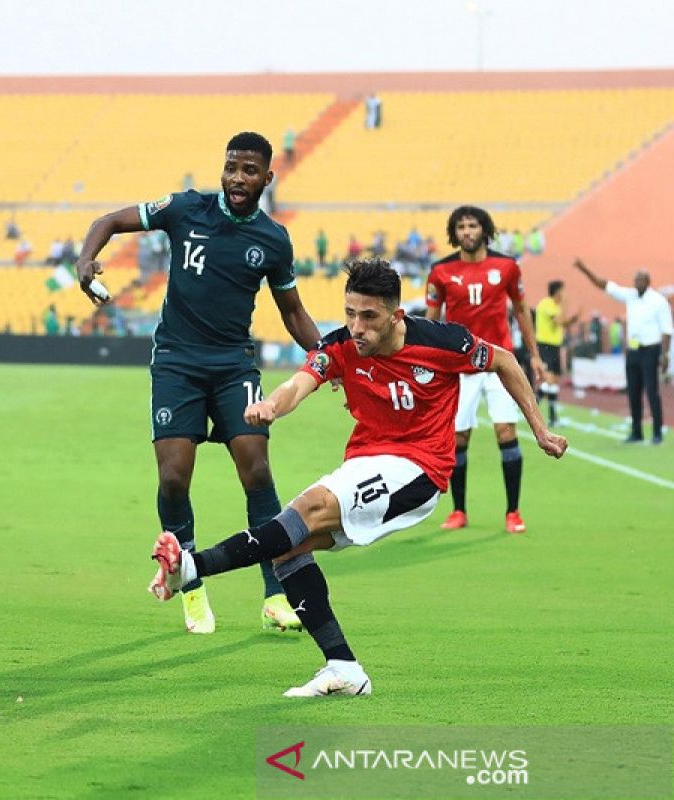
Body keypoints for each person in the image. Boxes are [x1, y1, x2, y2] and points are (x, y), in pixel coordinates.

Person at [148, 259, 567, 697]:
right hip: (366, 461)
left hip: (419, 469)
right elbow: (301, 382)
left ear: (395, 315)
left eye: (369, 317)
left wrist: (539, 428)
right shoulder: (341, 346)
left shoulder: (442, 341)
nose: (356, 327)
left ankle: (191, 567)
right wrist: (272, 404)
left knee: (306, 508)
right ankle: (344, 667)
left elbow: (503, 360)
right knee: (288, 550)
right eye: (350, 313)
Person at [75, 132, 325, 635]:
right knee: (173, 478)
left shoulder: (273, 240)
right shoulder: (186, 209)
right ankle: (189, 584)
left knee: (256, 470)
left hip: (234, 365)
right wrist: (85, 262)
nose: (237, 178)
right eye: (231, 167)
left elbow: (292, 310)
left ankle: (275, 594)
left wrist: (326, 356)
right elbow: (108, 221)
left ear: (266, 179)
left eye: (249, 170)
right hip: (176, 362)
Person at [425, 206, 545, 533]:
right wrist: (426, 362)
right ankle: (459, 511)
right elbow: (430, 322)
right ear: (455, 232)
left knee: (505, 432)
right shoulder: (440, 271)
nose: (467, 231)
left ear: (484, 229)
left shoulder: (506, 266)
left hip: (499, 365)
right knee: (459, 438)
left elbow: (521, 311)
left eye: (473, 225)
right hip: (458, 366)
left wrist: (534, 355)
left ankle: (513, 512)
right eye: (461, 226)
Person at [574, 259, 672, 444]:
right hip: (633, 351)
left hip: (651, 350)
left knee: (652, 391)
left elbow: (667, 330)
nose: (636, 283)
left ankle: (657, 432)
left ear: (647, 281)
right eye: (635, 280)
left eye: (640, 280)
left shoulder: (658, 301)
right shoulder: (630, 295)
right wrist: (585, 269)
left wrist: (665, 355)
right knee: (633, 391)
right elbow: (605, 285)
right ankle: (636, 432)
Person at [534, 280, 580, 427]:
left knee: (554, 380)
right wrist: (565, 306)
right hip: (545, 345)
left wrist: (573, 320)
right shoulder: (546, 304)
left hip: (554, 345)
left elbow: (563, 323)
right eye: (563, 290)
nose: (564, 294)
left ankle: (551, 416)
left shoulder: (555, 306)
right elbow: (557, 322)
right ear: (558, 291)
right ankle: (533, 407)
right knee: (549, 378)